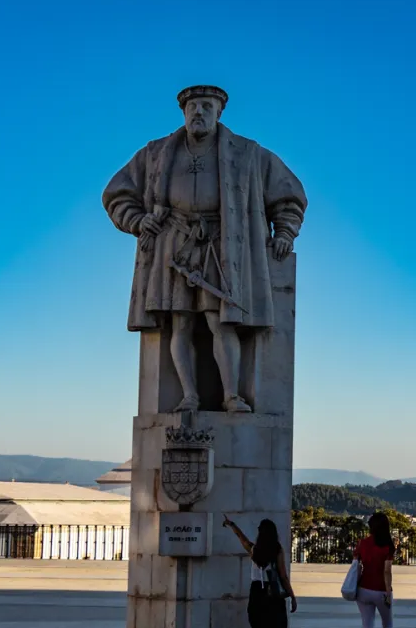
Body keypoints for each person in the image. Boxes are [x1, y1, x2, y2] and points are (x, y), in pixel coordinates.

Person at [103, 85, 308, 413]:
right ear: (183, 112)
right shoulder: (155, 153)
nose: (199, 112)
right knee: (180, 322)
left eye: (207, 106)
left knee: (220, 321)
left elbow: (288, 194)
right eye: (193, 106)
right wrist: (139, 221)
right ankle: (189, 396)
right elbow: (117, 193)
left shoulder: (248, 153)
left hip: (224, 246)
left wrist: (285, 231)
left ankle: (231, 396)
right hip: (174, 246)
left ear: (219, 112)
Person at [223, 516, 298, 628]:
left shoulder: (255, 550)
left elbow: (242, 539)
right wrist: (292, 596)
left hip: (256, 592)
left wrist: (232, 525)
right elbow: (283, 576)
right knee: (280, 627)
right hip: (272, 593)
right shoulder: (277, 549)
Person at [354, 512, 396, 628]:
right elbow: (387, 571)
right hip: (380, 591)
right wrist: (387, 592)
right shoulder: (388, 545)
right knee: (388, 625)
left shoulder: (363, 543)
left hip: (363, 590)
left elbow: (355, 562)